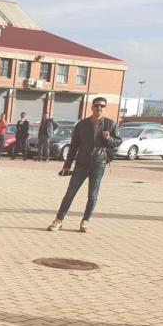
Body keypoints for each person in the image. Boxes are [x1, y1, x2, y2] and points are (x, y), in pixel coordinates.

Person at [47, 96, 122, 233]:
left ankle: (85, 221)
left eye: (102, 106)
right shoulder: (82, 124)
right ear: (92, 107)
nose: (99, 108)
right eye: (97, 105)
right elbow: (74, 145)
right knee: (70, 193)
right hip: (81, 164)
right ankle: (59, 220)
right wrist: (67, 165)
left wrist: (109, 138)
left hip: (98, 165)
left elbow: (118, 142)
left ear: (104, 108)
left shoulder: (110, 124)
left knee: (92, 195)